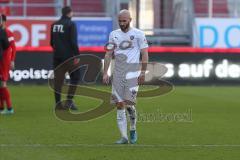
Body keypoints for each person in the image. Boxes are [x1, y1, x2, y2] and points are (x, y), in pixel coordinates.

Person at [103, 9, 149, 144]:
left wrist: (143, 72)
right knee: (119, 104)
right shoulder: (113, 35)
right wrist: (105, 72)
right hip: (118, 74)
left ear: (130, 20)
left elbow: (145, 54)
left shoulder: (139, 34)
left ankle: (133, 128)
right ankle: (124, 137)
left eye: (124, 21)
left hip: (133, 74)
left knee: (129, 105)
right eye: (120, 21)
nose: (122, 23)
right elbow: (108, 54)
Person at [50, 6, 80, 110]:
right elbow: (73, 42)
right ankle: (69, 101)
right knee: (75, 77)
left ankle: (58, 104)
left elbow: (51, 42)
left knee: (58, 81)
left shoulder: (54, 25)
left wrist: (58, 50)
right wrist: (77, 55)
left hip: (57, 56)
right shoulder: (71, 24)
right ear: (70, 13)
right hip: (69, 57)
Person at [0, 14, 16, 115]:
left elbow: (13, 47)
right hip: (1, 59)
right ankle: (1, 108)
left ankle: (9, 108)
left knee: (2, 83)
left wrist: (12, 60)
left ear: (4, 21)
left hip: (4, 60)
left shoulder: (8, 32)